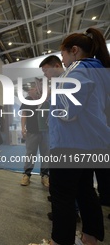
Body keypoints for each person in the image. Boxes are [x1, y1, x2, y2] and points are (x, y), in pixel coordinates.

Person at [31, 28, 110, 245]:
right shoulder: (99, 72)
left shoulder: (78, 71)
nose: (63, 61)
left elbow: (67, 110)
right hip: (89, 144)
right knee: (85, 191)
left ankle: (59, 241)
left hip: (70, 145)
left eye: (64, 55)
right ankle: (89, 238)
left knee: (62, 196)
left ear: (74, 51)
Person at [20, 86, 49, 187]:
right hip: (32, 131)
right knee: (30, 154)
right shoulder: (27, 100)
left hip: (46, 131)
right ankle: (26, 175)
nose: (30, 90)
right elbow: (24, 114)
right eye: (30, 89)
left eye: (32, 89)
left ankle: (45, 176)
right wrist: (23, 128)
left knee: (46, 154)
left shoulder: (46, 99)